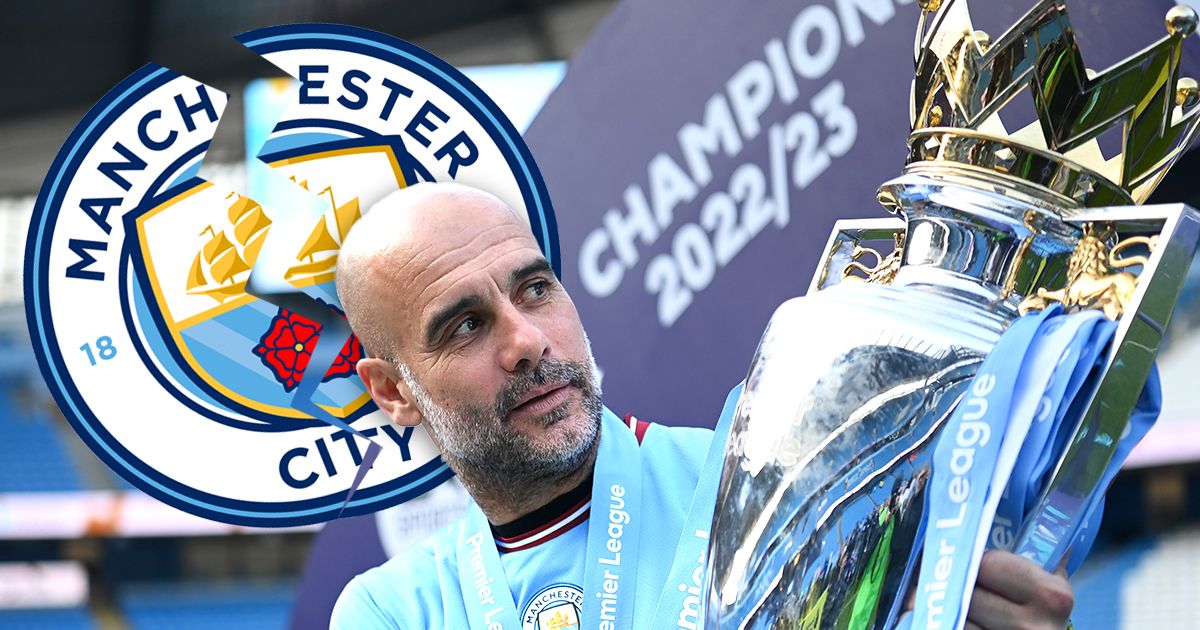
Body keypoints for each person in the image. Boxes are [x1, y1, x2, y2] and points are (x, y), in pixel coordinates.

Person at [330, 182, 1075, 629]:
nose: (526, 340)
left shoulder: (774, 481)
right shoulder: (393, 610)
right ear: (395, 391)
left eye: (535, 289)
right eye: (465, 325)